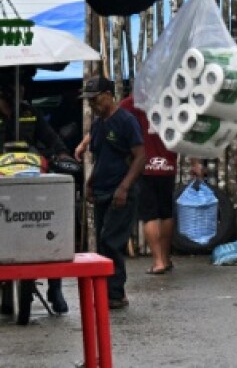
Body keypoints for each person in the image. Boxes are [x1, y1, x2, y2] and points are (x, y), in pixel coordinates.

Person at [0, 75, 73, 315]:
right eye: (13, 86)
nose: (19, 89)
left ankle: (55, 287)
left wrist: (62, 154)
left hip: (33, 184)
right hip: (3, 187)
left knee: (54, 225)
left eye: (21, 85)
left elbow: (52, 139)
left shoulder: (31, 112)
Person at [116, 94, 203, 275]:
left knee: (149, 215)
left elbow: (112, 120)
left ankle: (158, 261)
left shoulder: (133, 102)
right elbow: (186, 132)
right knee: (165, 213)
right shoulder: (173, 100)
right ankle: (166, 258)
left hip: (144, 166)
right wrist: (195, 162)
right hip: (167, 165)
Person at [82, 76, 145, 310]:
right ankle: (106, 291)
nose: (92, 105)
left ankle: (116, 293)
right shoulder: (98, 124)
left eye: (95, 99)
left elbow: (140, 156)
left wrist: (124, 187)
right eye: (89, 101)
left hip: (121, 191)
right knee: (101, 242)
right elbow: (100, 157)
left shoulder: (126, 121)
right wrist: (90, 182)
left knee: (111, 241)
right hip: (101, 189)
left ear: (108, 94)